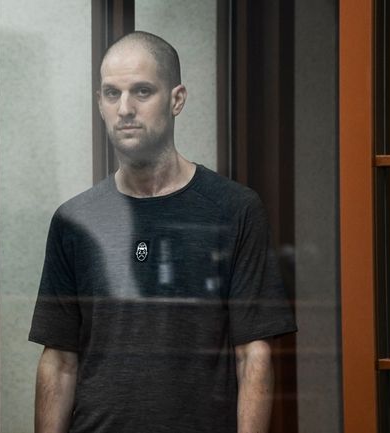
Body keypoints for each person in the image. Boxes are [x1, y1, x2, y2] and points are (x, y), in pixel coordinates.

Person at [29, 31, 296, 433]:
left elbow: (253, 355)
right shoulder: (74, 220)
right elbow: (59, 359)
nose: (125, 109)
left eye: (142, 91)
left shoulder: (234, 209)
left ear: (177, 99)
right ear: (99, 104)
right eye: (111, 93)